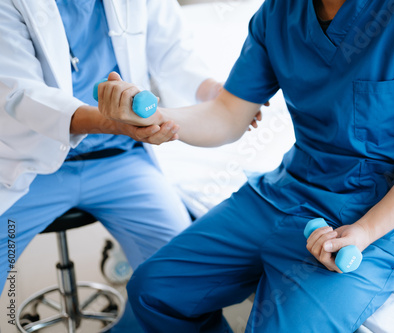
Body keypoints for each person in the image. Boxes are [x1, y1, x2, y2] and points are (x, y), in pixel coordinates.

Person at [98, 0, 394, 331]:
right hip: (288, 192)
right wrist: (160, 119)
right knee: (154, 289)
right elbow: (228, 113)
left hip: (376, 219)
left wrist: (364, 232)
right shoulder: (280, 11)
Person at [0, 0, 257, 331]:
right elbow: (20, 94)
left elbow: (175, 55)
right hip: (30, 165)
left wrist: (218, 94)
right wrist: (113, 122)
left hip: (120, 159)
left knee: (177, 278)